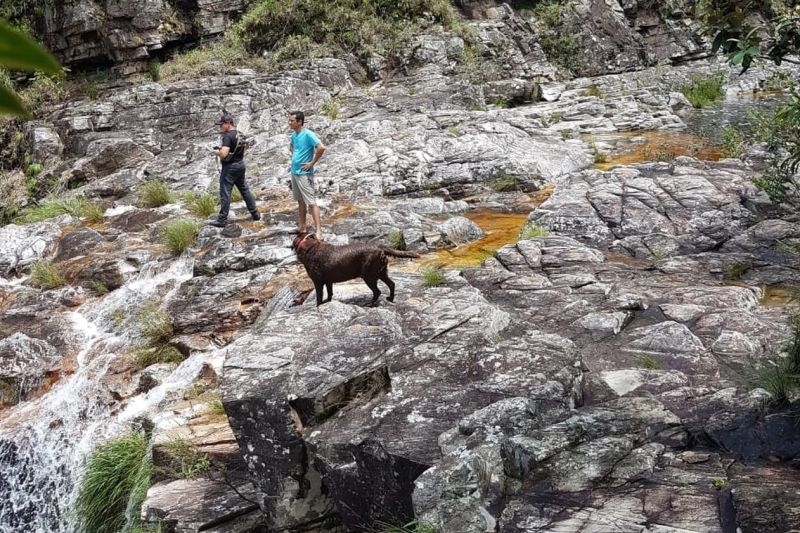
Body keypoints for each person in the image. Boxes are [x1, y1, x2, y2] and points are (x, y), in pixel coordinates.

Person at [209, 113, 260, 227]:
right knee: (245, 190)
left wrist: (216, 152)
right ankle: (255, 214)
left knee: (225, 192)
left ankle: (222, 219)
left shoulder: (227, 136)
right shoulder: (239, 134)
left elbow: (224, 154)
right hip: (240, 164)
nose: (220, 127)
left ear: (228, 123)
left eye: (222, 124)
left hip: (230, 168)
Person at [288, 111, 326, 240]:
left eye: (292, 121)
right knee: (300, 200)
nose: (289, 123)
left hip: (305, 173)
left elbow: (321, 147)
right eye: (289, 120)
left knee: (311, 202)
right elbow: (293, 148)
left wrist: (312, 162)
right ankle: (302, 226)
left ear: (299, 122)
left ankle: (319, 231)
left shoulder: (308, 134)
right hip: (295, 171)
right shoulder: (294, 135)